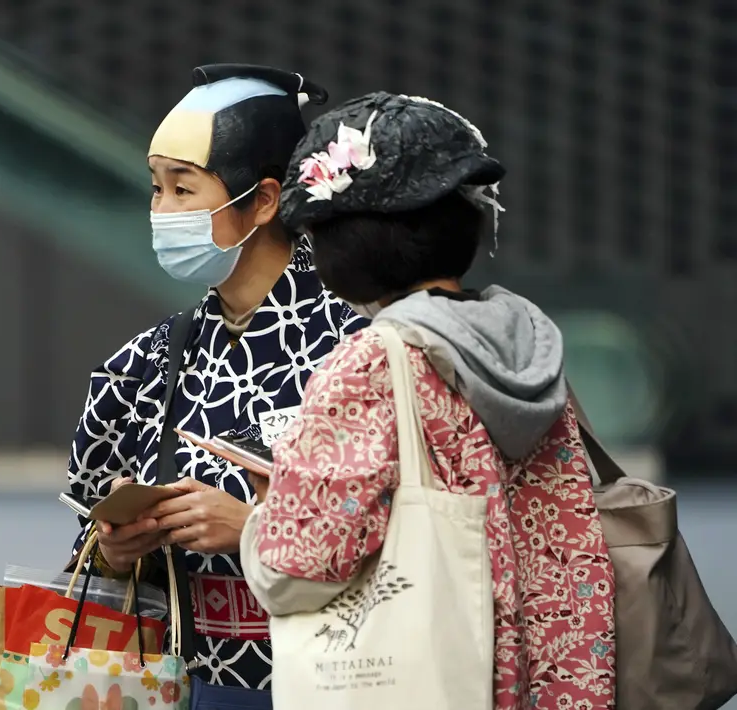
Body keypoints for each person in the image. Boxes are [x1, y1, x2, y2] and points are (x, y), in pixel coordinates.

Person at [240, 92, 616, 708]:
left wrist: (262, 519)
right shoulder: (526, 341)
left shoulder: (374, 362)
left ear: (345, 243)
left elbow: (297, 571)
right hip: (556, 683)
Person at [65, 64, 367, 689]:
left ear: (263, 199)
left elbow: (402, 534)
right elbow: (88, 532)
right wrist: (117, 552)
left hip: (327, 682)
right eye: (156, 188)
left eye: (183, 189)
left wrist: (250, 531)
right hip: (180, 682)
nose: (162, 210)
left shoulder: (358, 347)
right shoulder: (144, 363)